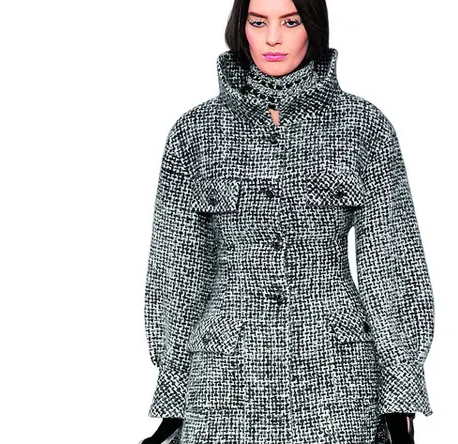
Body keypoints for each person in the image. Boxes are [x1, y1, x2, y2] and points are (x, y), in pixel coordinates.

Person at [139, 0, 435, 443]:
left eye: (290, 22)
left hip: (337, 376)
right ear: (241, 28)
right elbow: (177, 272)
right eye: (258, 22)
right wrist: (174, 393)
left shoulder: (363, 126)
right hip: (224, 380)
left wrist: (400, 397)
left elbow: (392, 264)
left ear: (312, 26)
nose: (273, 38)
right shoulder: (195, 131)